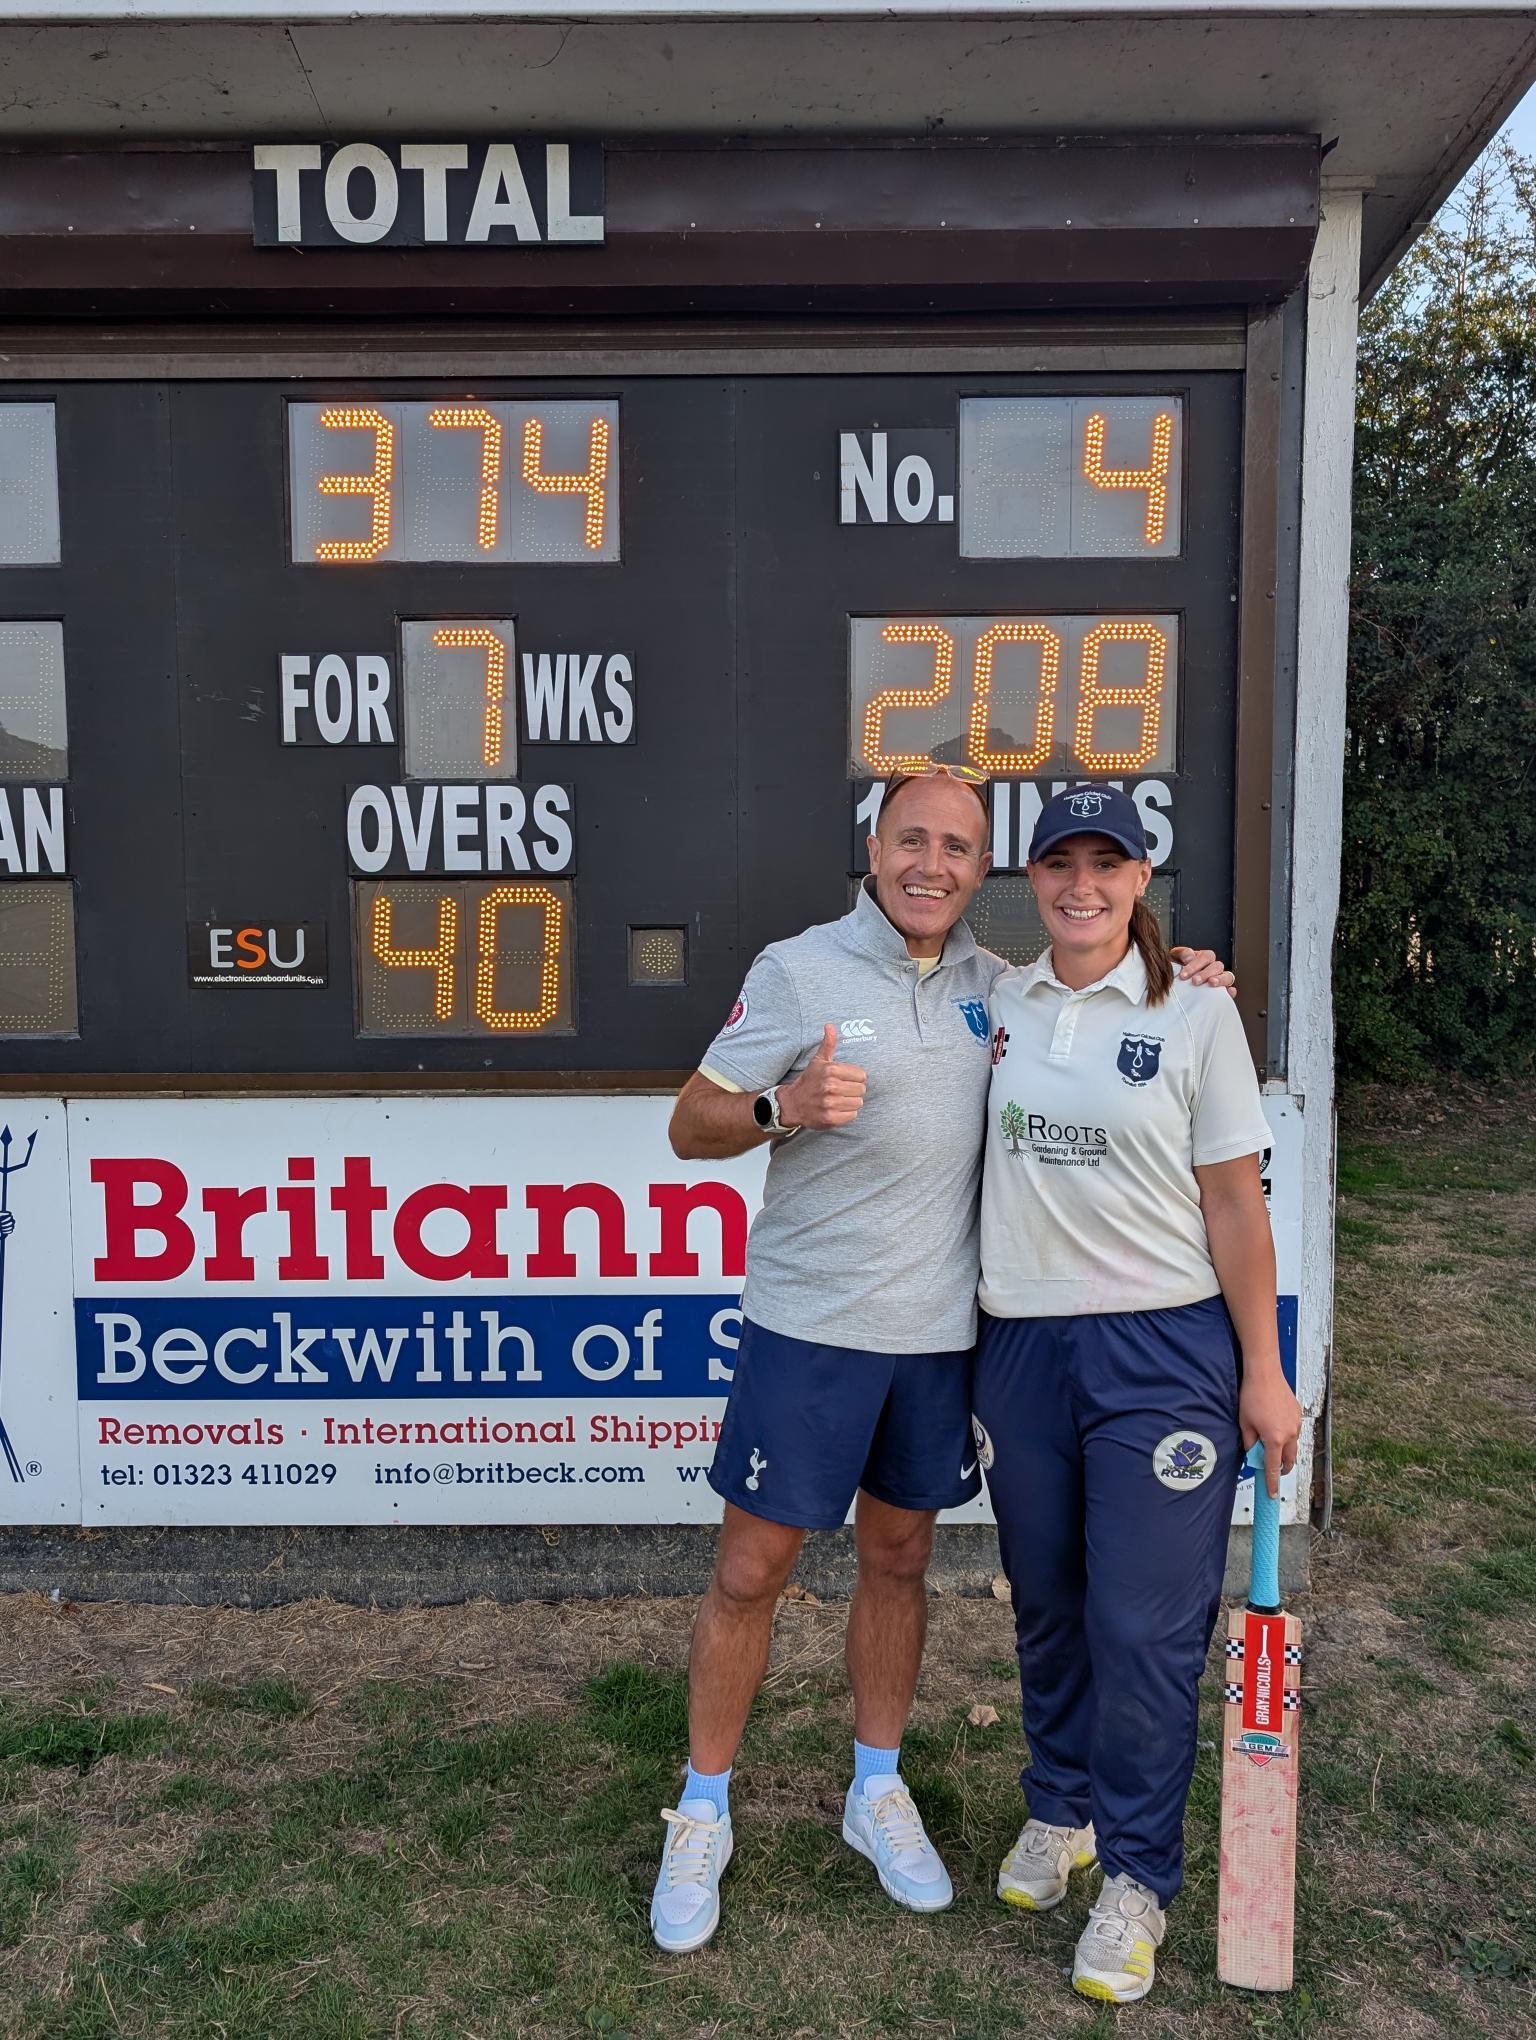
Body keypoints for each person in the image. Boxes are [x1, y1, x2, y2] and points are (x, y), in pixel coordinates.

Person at [650, 764, 1234, 1954]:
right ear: (875, 849)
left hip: (938, 1342)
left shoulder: (1001, 989)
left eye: (958, 848)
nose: (932, 866)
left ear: (982, 872)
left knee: (899, 1563)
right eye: (912, 840)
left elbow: (1130, 989)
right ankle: (701, 1808)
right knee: (752, 1574)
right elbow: (689, 1126)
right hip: (807, 1330)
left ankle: (876, 1790)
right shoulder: (797, 969)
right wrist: (782, 1108)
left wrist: (1195, 977)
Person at [972, 784, 1301, 2004]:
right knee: (1051, 1604)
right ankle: (1062, 1809)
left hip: (1161, 1354)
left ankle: (1140, 1878)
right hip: (1020, 1348)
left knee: (1143, 1628)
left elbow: (1235, 1205)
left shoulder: (1197, 1012)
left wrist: (1264, 1374)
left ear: (1142, 879)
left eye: (1107, 865)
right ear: (1033, 877)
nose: (1082, 886)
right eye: (1060, 862)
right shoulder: (1000, 1000)